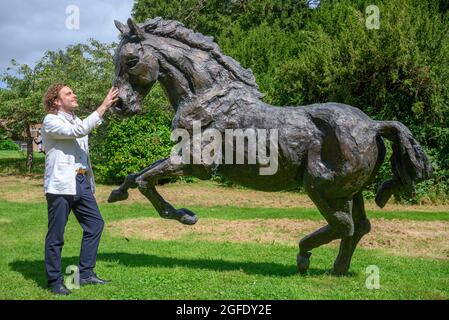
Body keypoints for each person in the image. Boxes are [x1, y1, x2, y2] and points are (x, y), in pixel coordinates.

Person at [41, 83, 119, 295]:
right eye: (68, 93)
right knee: (56, 235)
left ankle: (85, 274)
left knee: (95, 224)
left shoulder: (77, 120)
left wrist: (89, 184)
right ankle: (55, 281)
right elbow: (80, 130)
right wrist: (103, 105)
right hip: (60, 186)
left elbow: (83, 146)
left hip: (81, 182)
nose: (74, 95)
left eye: (74, 91)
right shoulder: (51, 121)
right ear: (57, 101)